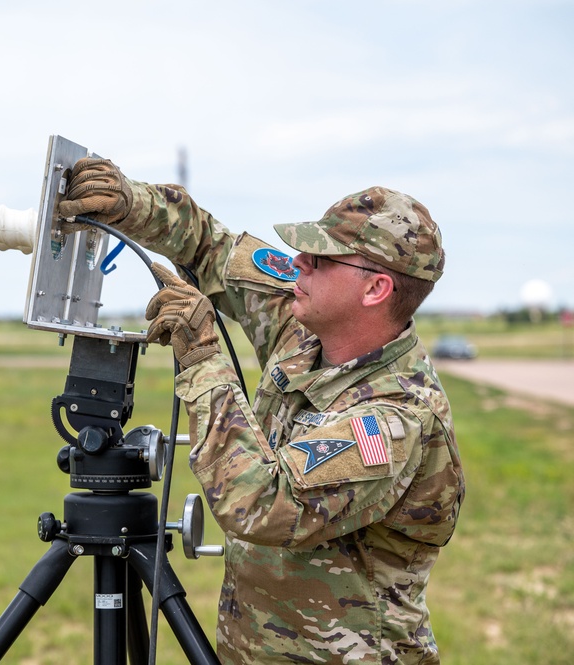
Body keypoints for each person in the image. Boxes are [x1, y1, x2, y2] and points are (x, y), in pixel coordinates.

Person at [58, 159, 465, 664]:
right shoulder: (304, 327)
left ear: (375, 288)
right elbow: (214, 248)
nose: (299, 264)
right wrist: (130, 201)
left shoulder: (397, 416)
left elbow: (263, 503)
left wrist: (204, 358)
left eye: (321, 259)